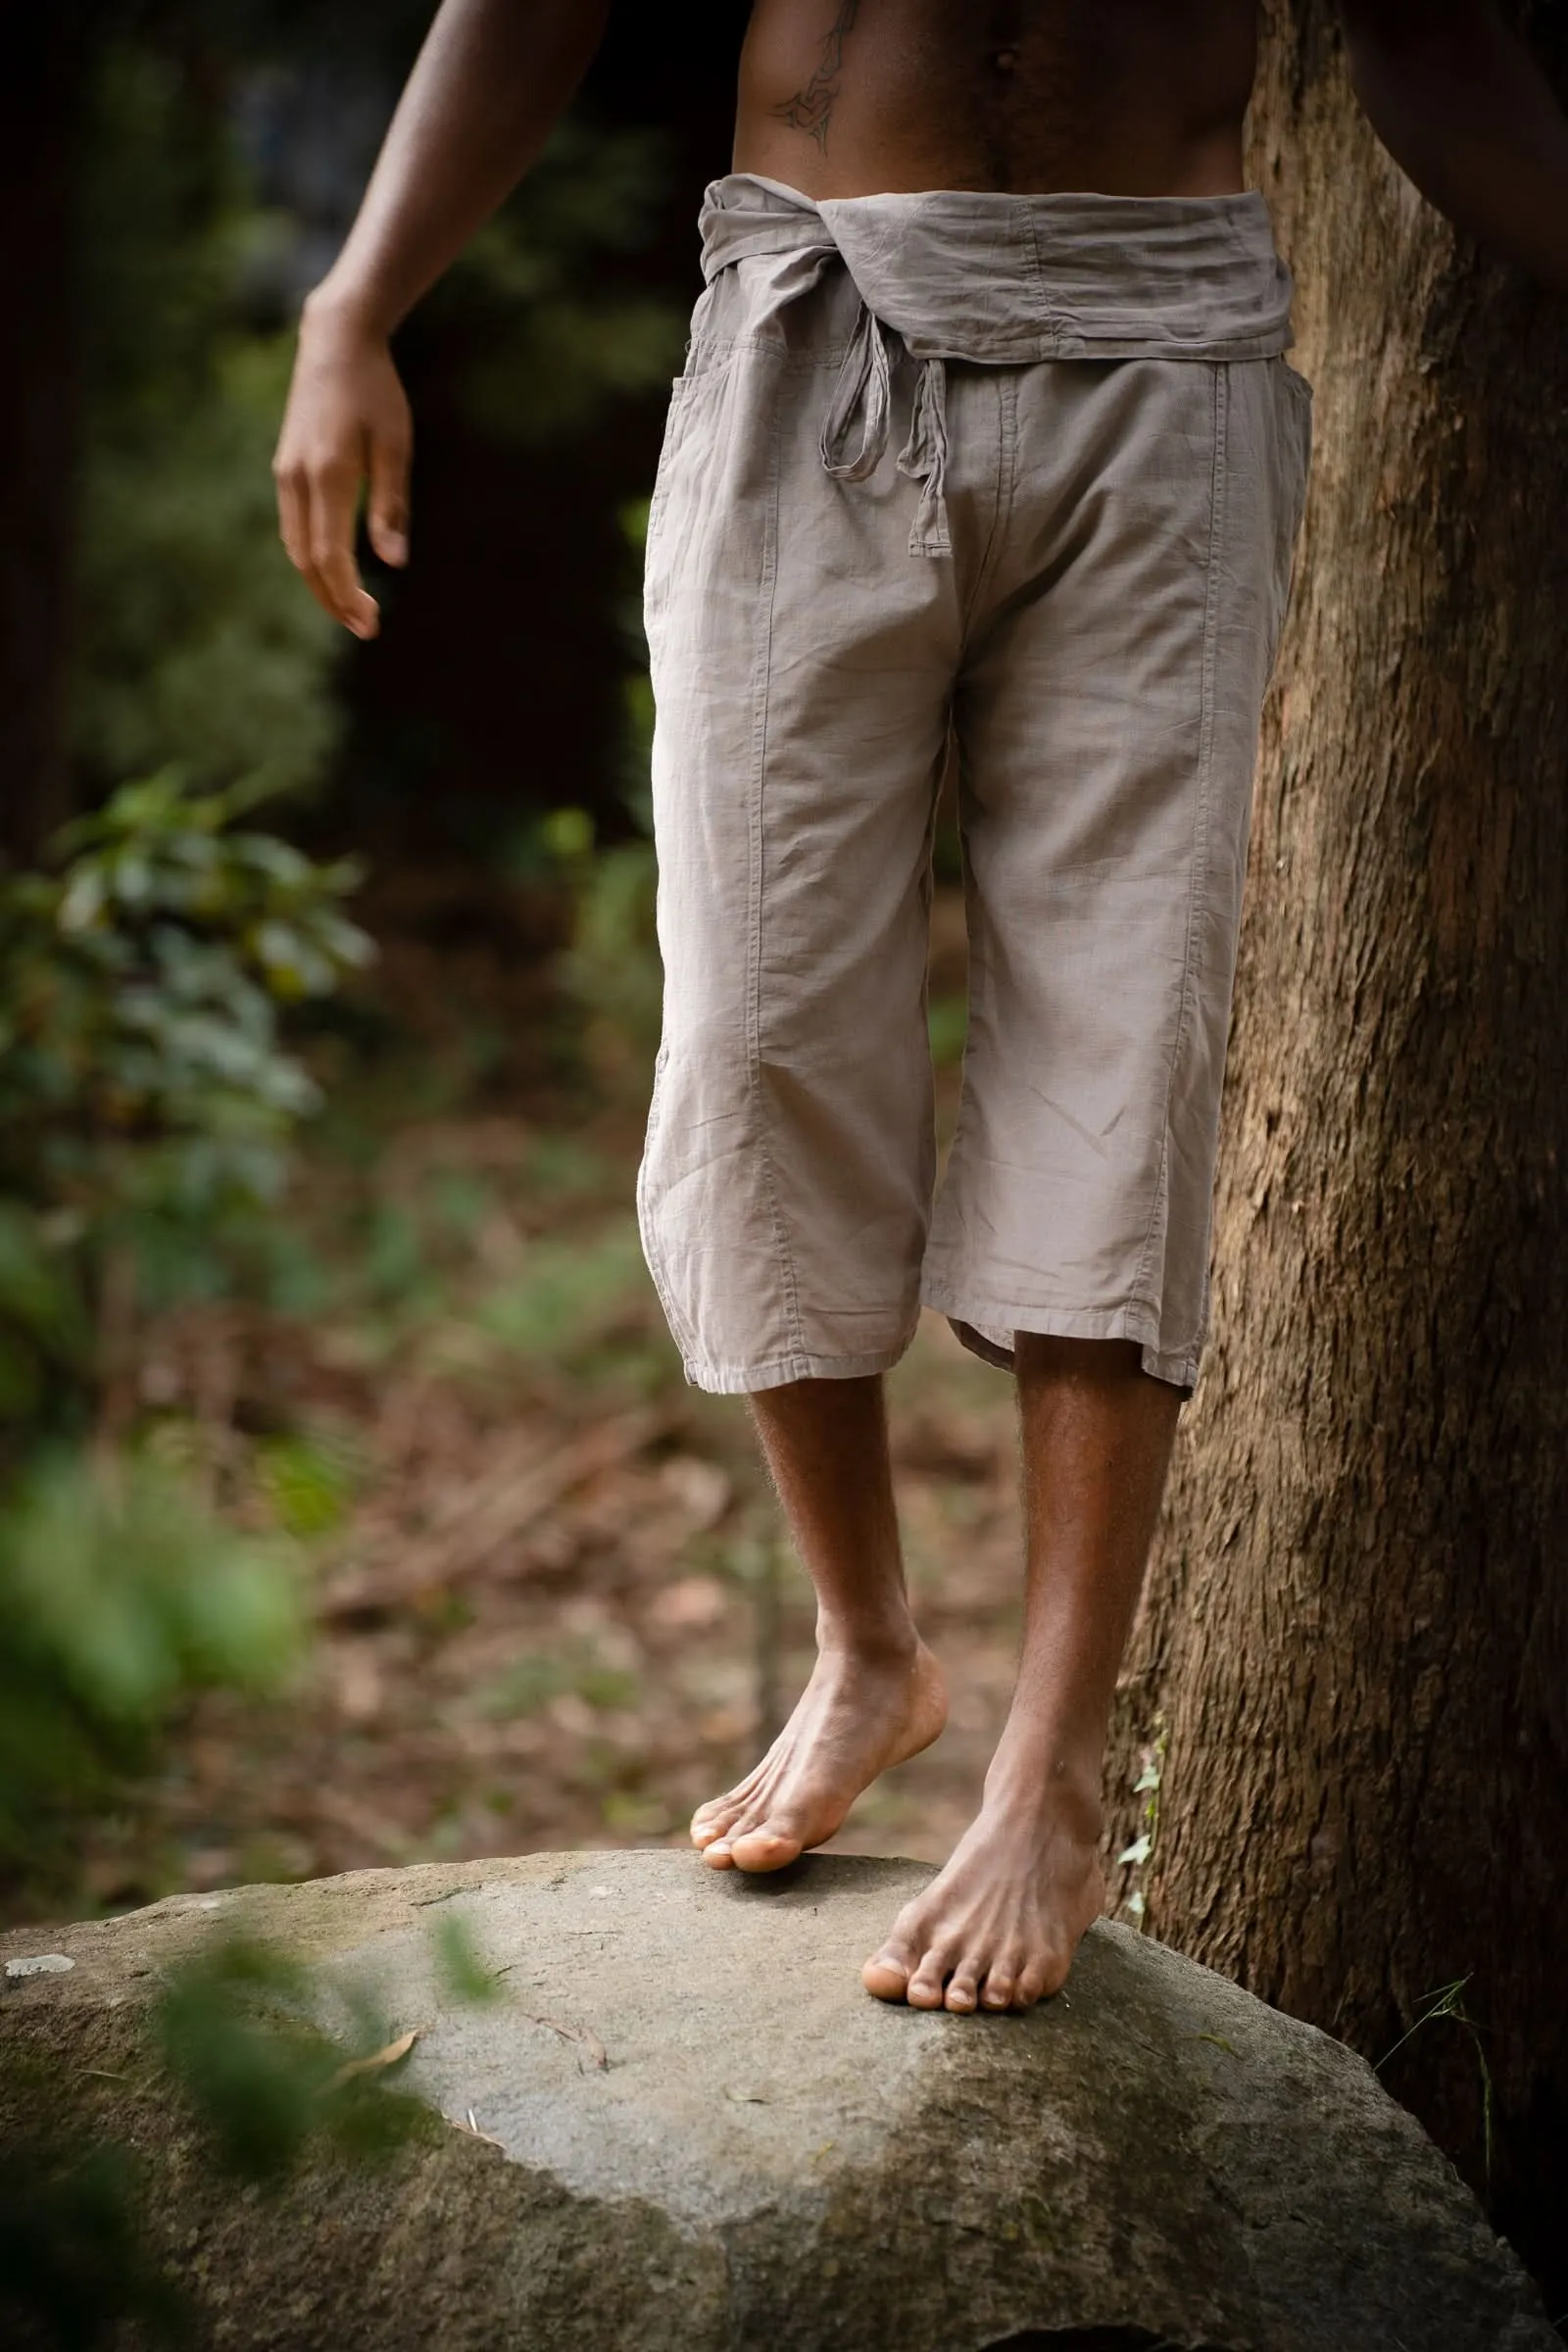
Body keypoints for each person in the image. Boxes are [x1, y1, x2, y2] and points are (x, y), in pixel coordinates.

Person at [274, 1, 1568, 2016]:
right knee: (753, 1032)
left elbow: (1426, 41)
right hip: (813, 316)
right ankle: (864, 1645)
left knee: (1120, 1051)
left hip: (1158, 350)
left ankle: (1047, 1777)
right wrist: (355, 301)